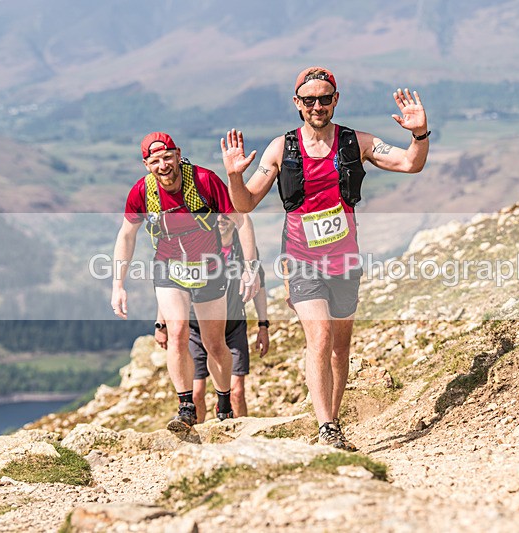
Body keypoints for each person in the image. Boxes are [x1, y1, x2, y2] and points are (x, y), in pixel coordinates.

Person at [220, 67, 429, 451]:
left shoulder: (356, 142)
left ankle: (331, 423)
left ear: (336, 100)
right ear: (297, 104)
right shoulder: (281, 149)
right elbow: (245, 203)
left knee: (339, 347)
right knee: (320, 335)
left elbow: (410, 163)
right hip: (300, 261)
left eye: (325, 98)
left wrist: (419, 133)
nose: (318, 106)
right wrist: (234, 176)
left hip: (345, 263)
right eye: (309, 100)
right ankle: (327, 428)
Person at [111, 132, 261, 437]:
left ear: (178, 155)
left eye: (167, 158)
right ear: (146, 165)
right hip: (169, 268)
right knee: (177, 331)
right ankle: (186, 406)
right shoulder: (142, 191)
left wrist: (250, 268)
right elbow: (126, 235)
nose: (163, 166)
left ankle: (223, 405)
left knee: (214, 342)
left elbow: (241, 220)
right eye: (155, 161)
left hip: (209, 268)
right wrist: (118, 284)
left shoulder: (206, 181)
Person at [154, 213, 270, 422]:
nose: (222, 218)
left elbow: (259, 286)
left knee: (236, 391)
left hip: (233, 326)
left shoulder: (245, 250)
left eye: (227, 215)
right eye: (218, 214)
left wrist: (263, 324)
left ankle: (237, 434)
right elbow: (171, 284)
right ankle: (196, 441)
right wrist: (161, 323)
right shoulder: (198, 242)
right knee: (197, 393)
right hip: (196, 329)